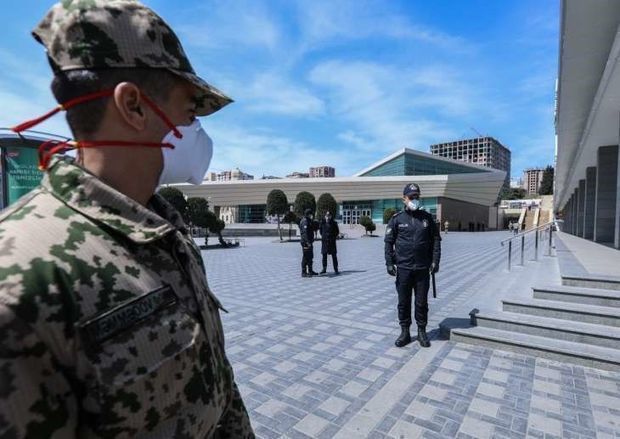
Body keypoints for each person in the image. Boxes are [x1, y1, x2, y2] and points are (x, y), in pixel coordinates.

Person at [0, 1, 254, 437]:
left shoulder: (166, 232)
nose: (195, 130)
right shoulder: (20, 278)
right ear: (133, 106)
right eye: (190, 111)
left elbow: (218, 387)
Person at [385, 183, 441, 348]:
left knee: (421, 303)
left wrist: (435, 261)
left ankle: (422, 331)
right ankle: (405, 332)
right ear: (404, 198)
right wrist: (389, 263)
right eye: (411, 197)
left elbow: (436, 241)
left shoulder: (427, 218)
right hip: (404, 269)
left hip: (422, 269)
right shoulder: (397, 219)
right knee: (403, 302)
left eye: (417, 197)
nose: (414, 199)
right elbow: (388, 242)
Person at [300, 208, 318, 277]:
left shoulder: (309, 220)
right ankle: (303, 272)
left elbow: (313, 228)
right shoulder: (304, 221)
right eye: (311, 214)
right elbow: (305, 233)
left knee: (310, 256)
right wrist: (308, 242)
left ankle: (310, 271)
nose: (312, 215)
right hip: (306, 243)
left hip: (309, 242)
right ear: (308, 214)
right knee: (305, 257)